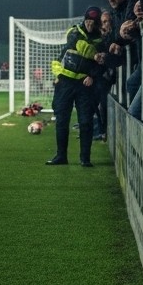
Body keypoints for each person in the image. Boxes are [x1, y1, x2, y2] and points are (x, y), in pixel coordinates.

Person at [46, 9, 105, 167]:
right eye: (87, 20)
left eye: (93, 21)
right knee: (62, 120)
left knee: (86, 121)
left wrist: (92, 75)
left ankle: (85, 159)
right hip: (64, 81)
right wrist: (94, 56)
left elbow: (102, 64)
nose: (89, 23)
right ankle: (61, 156)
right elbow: (77, 44)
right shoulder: (74, 31)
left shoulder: (101, 39)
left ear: (97, 22)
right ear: (84, 20)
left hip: (84, 85)